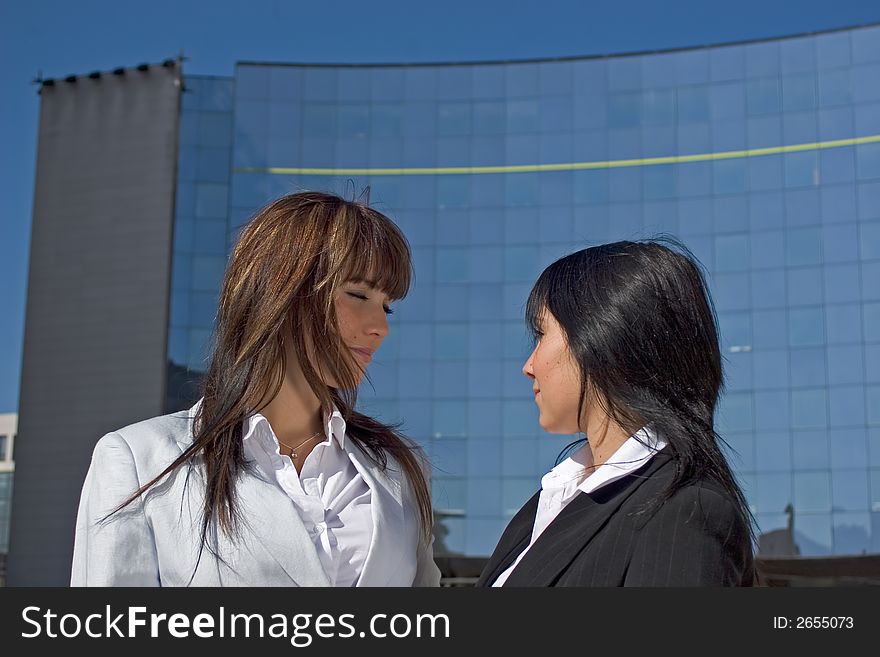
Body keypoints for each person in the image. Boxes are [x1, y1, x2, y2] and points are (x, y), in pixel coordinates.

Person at [71, 191, 440, 587]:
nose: (380, 327)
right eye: (358, 295)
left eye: (387, 306)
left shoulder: (400, 468)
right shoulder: (140, 459)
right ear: (279, 290)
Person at [477, 239, 755, 587]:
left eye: (541, 333)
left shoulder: (684, 512)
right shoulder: (551, 501)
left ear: (601, 336)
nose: (528, 366)